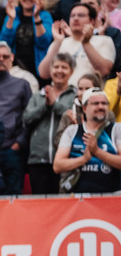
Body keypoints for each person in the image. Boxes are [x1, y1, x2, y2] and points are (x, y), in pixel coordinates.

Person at [0, 42, 32, 195]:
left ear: (12, 59)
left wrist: (19, 143)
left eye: (5, 56)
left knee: (13, 196)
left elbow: (29, 117)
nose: (1, 59)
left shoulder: (22, 85)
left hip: (12, 150)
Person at [24, 53, 78, 194]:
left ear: (71, 71)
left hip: (65, 159)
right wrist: (46, 105)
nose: (59, 71)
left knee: (63, 203)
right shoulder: (38, 95)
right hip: (38, 159)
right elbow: (26, 119)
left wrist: (54, 104)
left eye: (64, 67)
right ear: (50, 70)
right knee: (40, 204)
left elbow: (75, 117)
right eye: (56, 67)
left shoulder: (75, 95)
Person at [53, 88, 121, 193]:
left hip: (111, 198)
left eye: (104, 103)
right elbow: (57, 165)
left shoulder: (116, 129)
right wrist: (83, 159)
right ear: (84, 108)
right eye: (96, 103)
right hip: (79, 200)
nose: (101, 107)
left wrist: (97, 152)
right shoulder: (72, 131)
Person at [39, 4, 116, 86]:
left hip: (89, 94)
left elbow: (104, 70)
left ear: (92, 20)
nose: (75, 18)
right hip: (62, 96)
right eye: (72, 16)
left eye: (81, 15)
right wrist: (57, 43)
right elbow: (43, 73)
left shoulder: (104, 40)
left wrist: (86, 43)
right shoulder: (60, 42)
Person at [0, 0, 53, 77]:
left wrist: (36, 18)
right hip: (16, 69)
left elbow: (44, 42)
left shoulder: (45, 16)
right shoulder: (13, 14)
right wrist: (11, 19)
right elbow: (3, 43)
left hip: (37, 68)